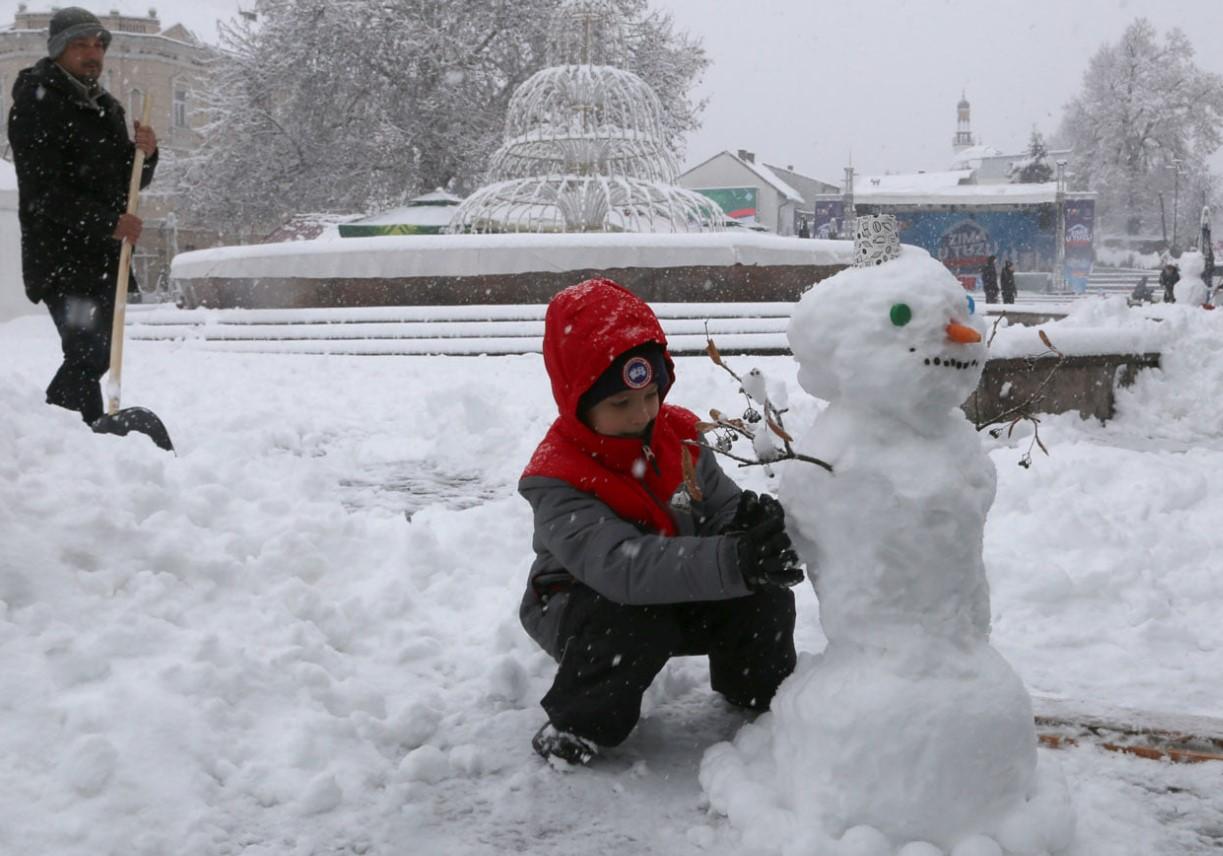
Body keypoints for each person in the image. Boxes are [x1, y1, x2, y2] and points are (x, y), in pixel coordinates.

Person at [518, 278, 802, 765]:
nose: (641, 413)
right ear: (577, 401)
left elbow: (719, 506)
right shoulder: (557, 475)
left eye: (650, 394)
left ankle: (763, 693)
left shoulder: (679, 434)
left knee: (761, 591)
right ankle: (578, 722)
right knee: (632, 624)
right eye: (620, 404)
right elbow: (621, 567)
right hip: (582, 605)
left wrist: (749, 529)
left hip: (673, 588)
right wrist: (730, 559)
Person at [7, 7, 158, 425]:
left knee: (95, 354)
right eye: (80, 45)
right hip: (61, 255)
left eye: (98, 45)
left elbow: (127, 183)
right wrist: (108, 223)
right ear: (58, 50)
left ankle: (81, 437)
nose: (93, 54)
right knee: (89, 352)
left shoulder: (106, 107)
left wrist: (146, 153)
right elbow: (43, 192)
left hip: (103, 257)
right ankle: (54, 434)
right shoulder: (37, 104)